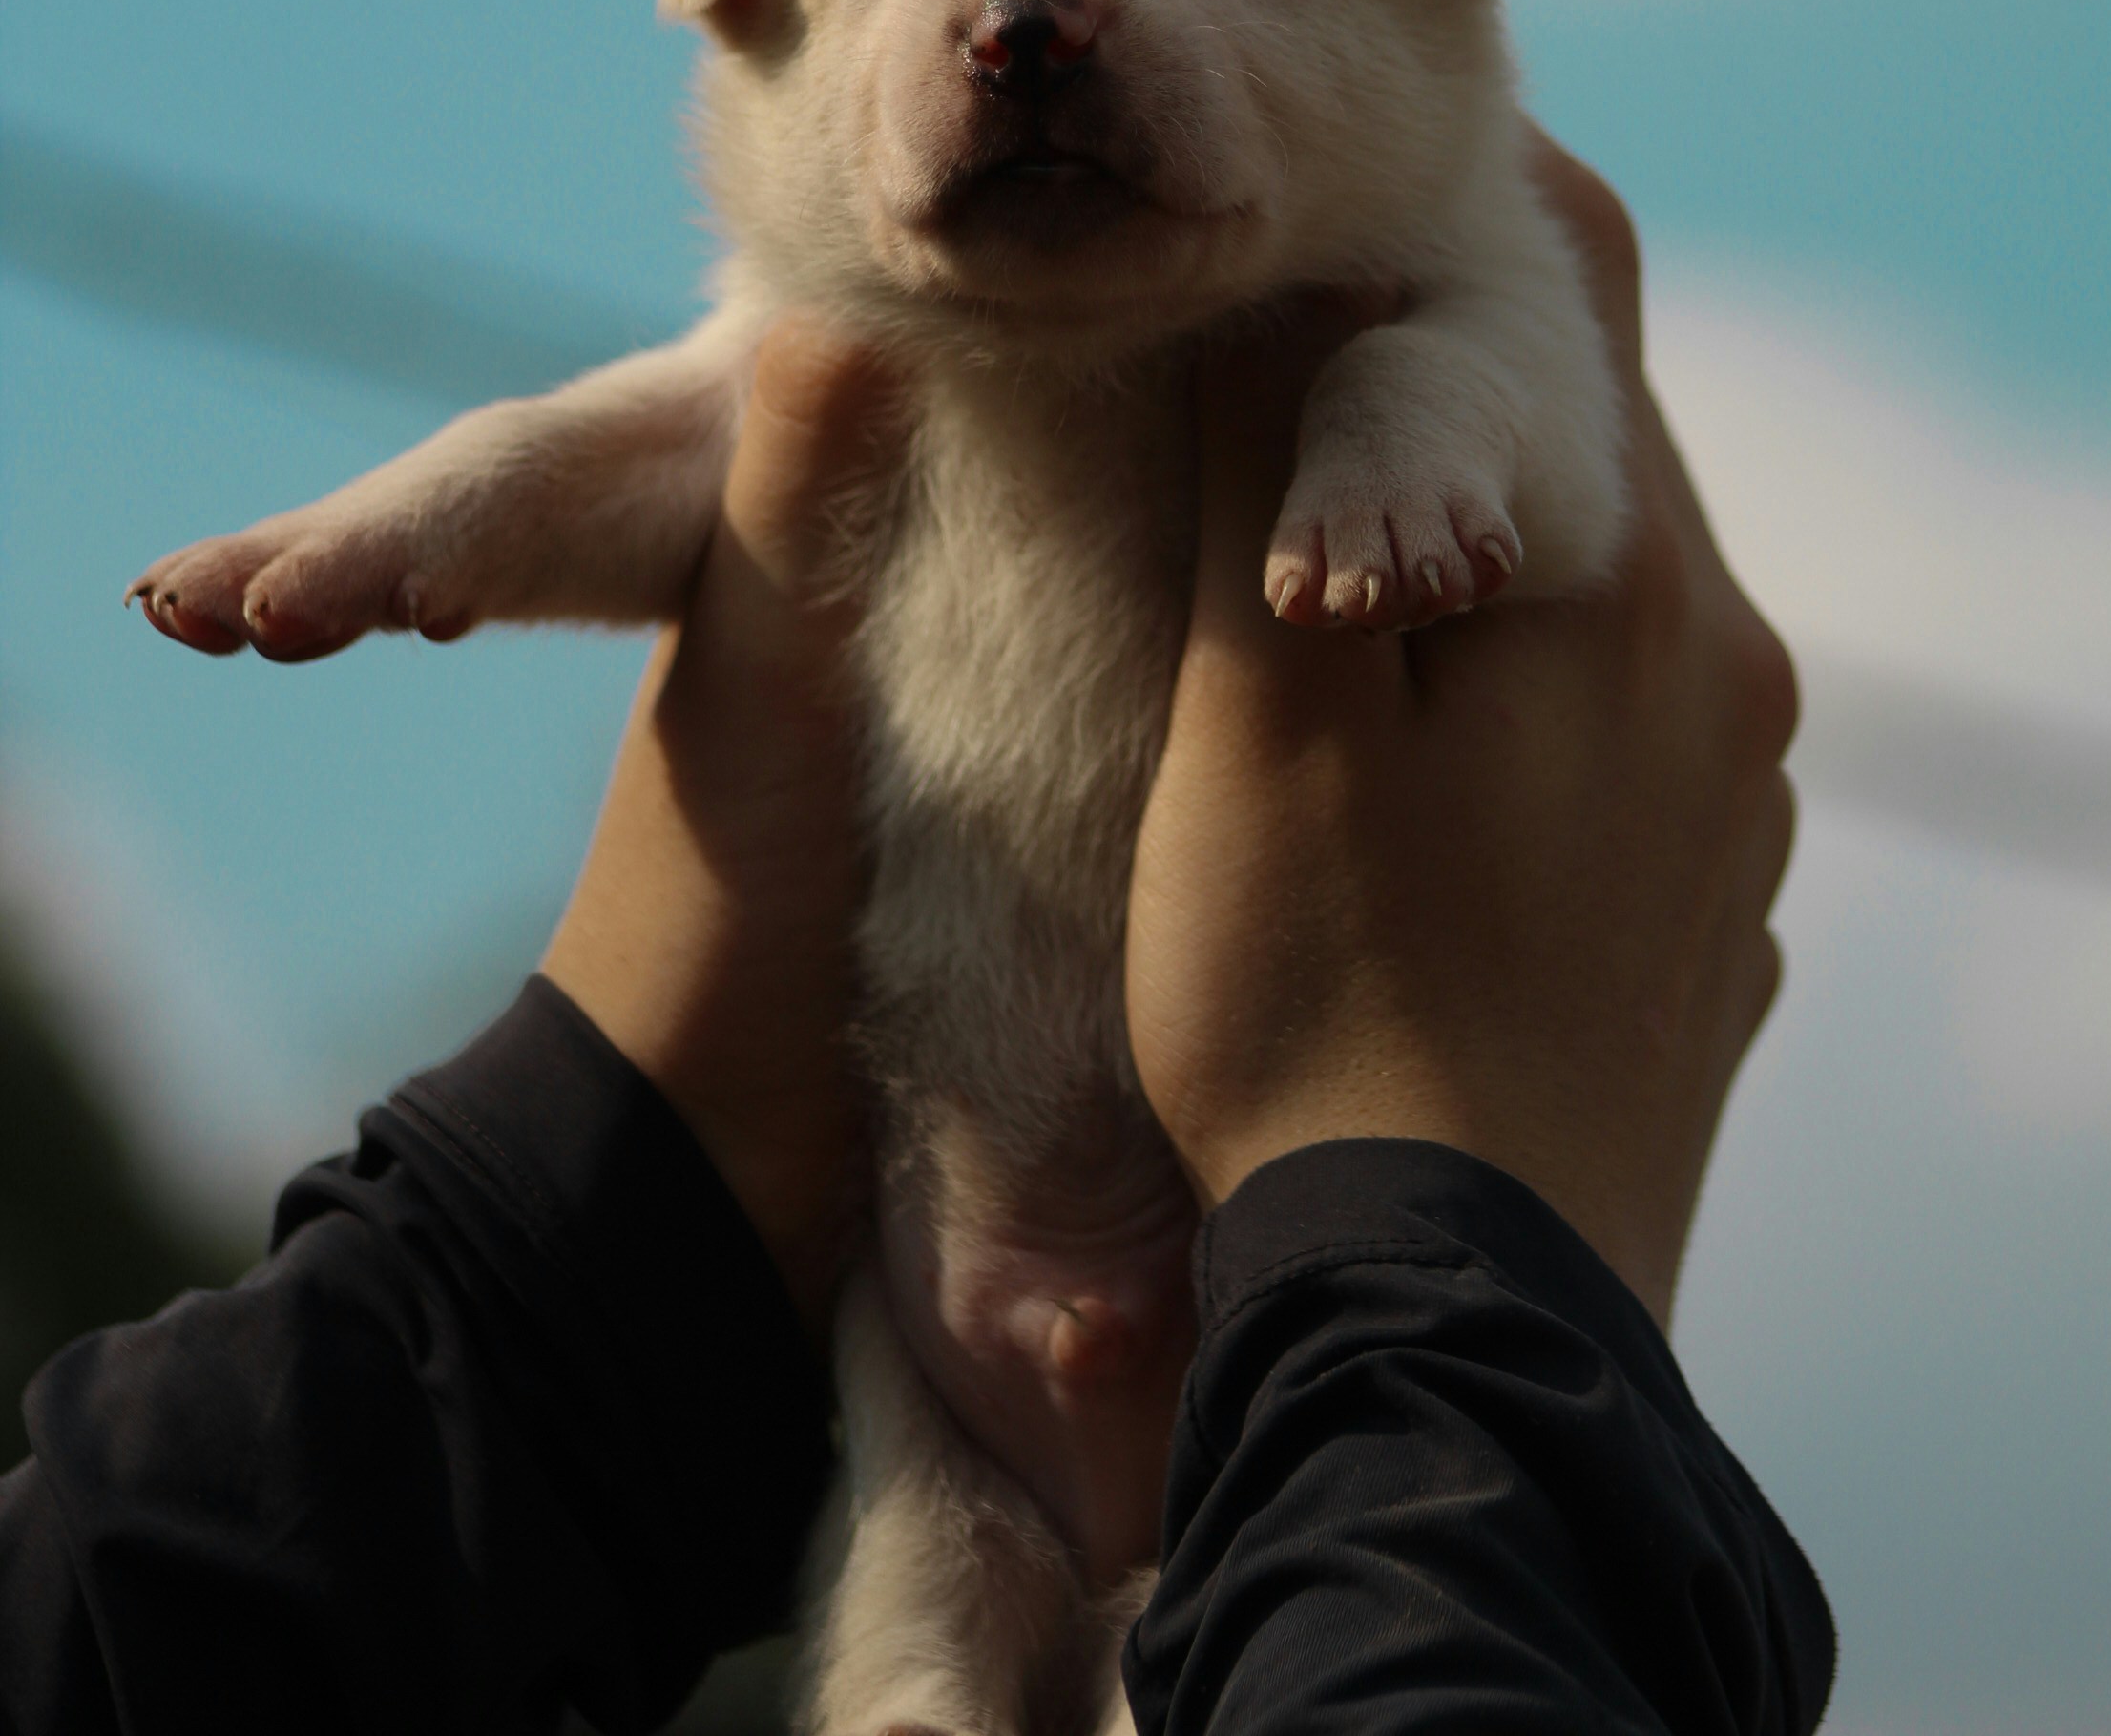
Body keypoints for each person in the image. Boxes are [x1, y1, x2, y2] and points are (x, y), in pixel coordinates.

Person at [0, 148, 1833, 1731]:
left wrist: (543, 1261)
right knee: (921, 1619)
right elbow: (666, 429)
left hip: (1260, 1317)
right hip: (962, 1325)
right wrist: (1467, 1290)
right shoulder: (836, 303)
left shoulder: (1450, 265)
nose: (1032, 25)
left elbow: (1517, 397)